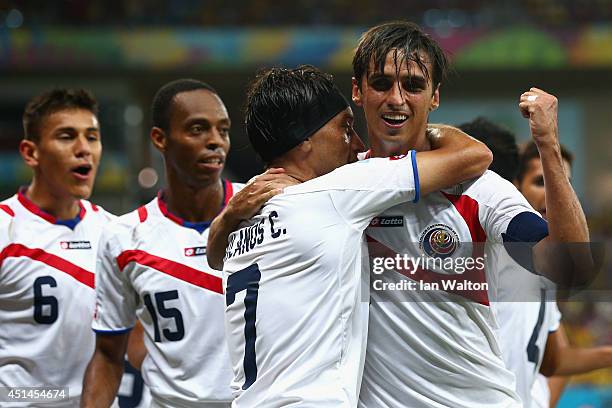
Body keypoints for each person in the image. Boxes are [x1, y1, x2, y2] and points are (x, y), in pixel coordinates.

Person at [207, 65, 492, 407]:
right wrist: (419, 124)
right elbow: (474, 155)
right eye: (345, 128)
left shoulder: (244, 214)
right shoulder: (337, 192)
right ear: (305, 138)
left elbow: (213, 256)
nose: (357, 144)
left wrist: (227, 216)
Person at [349, 21, 594, 408]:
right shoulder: (335, 186)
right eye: (381, 83)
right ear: (357, 91)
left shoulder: (478, 189)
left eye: (413, 85)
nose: (396, 98)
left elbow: (571, 267)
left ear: (434, 98)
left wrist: (547, 143)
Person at [81, 79, 242, 407]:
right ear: (160, 139)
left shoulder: (264, 210)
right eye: (198, 129)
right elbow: (109, 356)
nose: (215, 142)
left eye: (222, 130)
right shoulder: (124, 237)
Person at [0, 89, 113, 407]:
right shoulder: (4, 229)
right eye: (67, 136)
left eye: (92, 137)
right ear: (30, 153)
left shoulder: (114, 232)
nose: (84, 149)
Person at [515, 142, 612, 408]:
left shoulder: (544, 272)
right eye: (540, 182)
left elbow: (556, 361)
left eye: (564, 183)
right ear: (513, 186)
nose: (555, 194)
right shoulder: (480, 262)